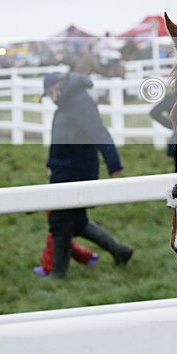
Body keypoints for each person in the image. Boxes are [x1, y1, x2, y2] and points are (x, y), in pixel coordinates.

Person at [42, 72, 133, 278]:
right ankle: (120, 251)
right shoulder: (69, 102)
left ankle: (58, 273)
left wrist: (114, 164)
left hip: (72, 171)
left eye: (48, 95)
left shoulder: (79, 101)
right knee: (77, 222)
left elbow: (98, 131)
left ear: (55, 89)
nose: (50, 99)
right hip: (66, 168)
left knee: (60, 222)